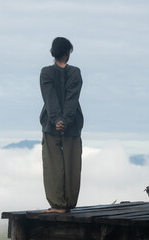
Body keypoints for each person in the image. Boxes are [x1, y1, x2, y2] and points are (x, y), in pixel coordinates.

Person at [39, 37, 84, 213]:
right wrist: (65, 120)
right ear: (68, 53)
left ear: (52, 53)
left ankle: (57, 204)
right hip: (72, 125)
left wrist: (57, 120)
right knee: (72, 163)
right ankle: (69, 203)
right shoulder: (75, 72)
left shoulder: (45, 72)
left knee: (52, 165)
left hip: (50, 125)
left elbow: (49, 98)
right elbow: (72, 99)